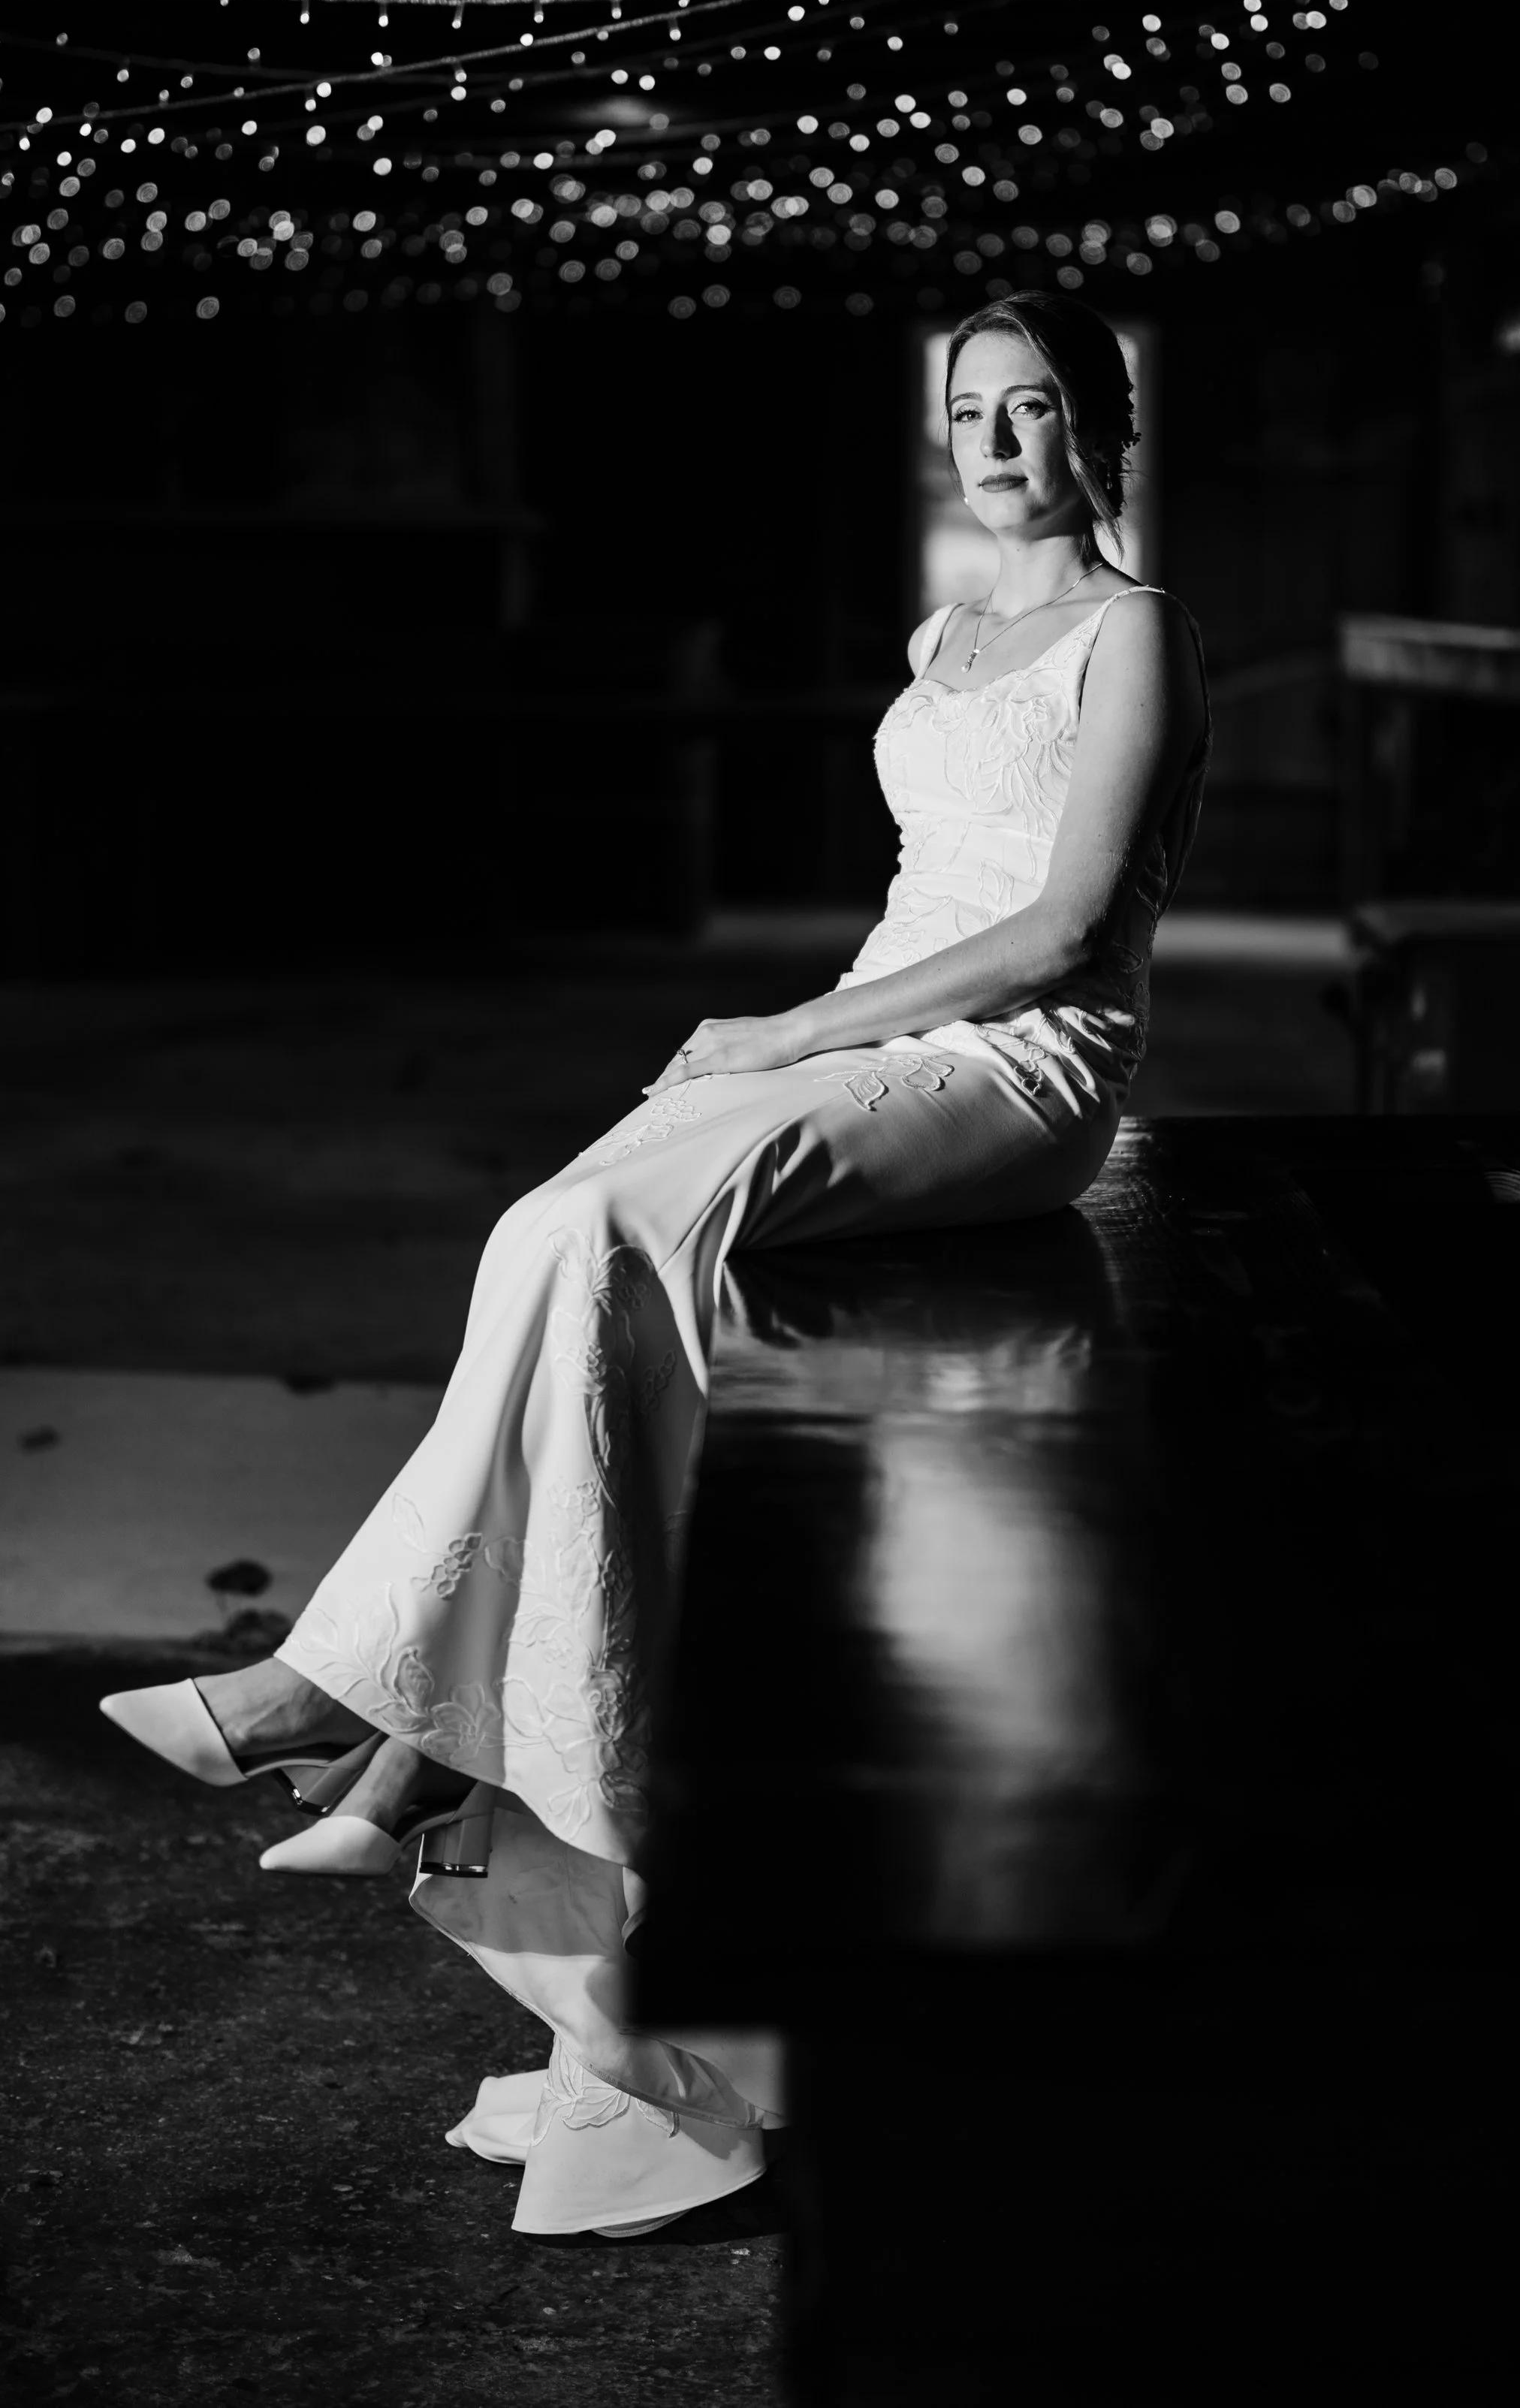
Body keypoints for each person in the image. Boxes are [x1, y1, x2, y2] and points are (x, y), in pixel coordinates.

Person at [100, 288, 1211, 2238]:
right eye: (973, 410)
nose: (1002, 441)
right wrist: (796, 1029)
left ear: (1098, 423)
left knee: (612, 1225)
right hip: (879, 1024)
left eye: (1038, 406)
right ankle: (381, 1739)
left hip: (1017, 1073)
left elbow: (1057, 929)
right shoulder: (939, 635)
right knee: (554, 1220)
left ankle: (344, 1711)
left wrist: (781, 1036)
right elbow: (913, 894)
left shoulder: (1136, 633)